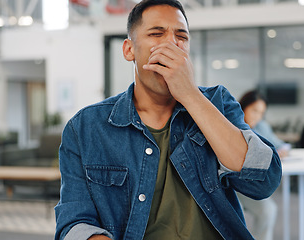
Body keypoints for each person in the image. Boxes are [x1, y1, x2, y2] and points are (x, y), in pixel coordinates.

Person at [54, 0, 282, 239]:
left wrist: (190, 94)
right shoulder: (86, 128)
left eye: (181, 37)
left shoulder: (218, 102)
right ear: (129, 50)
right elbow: (75, 223)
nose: (171, 44)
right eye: (156, 33)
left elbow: (263, 181)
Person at [236, 90, 288, 240]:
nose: (257, 116)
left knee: (268, 210)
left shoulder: (262, 127)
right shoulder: (231, 125)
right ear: (243, 107)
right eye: (254, 111)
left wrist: (281, 150)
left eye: (261, 113)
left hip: (252, 184)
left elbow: (281, 145)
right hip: (232, 183)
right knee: (235, 216)